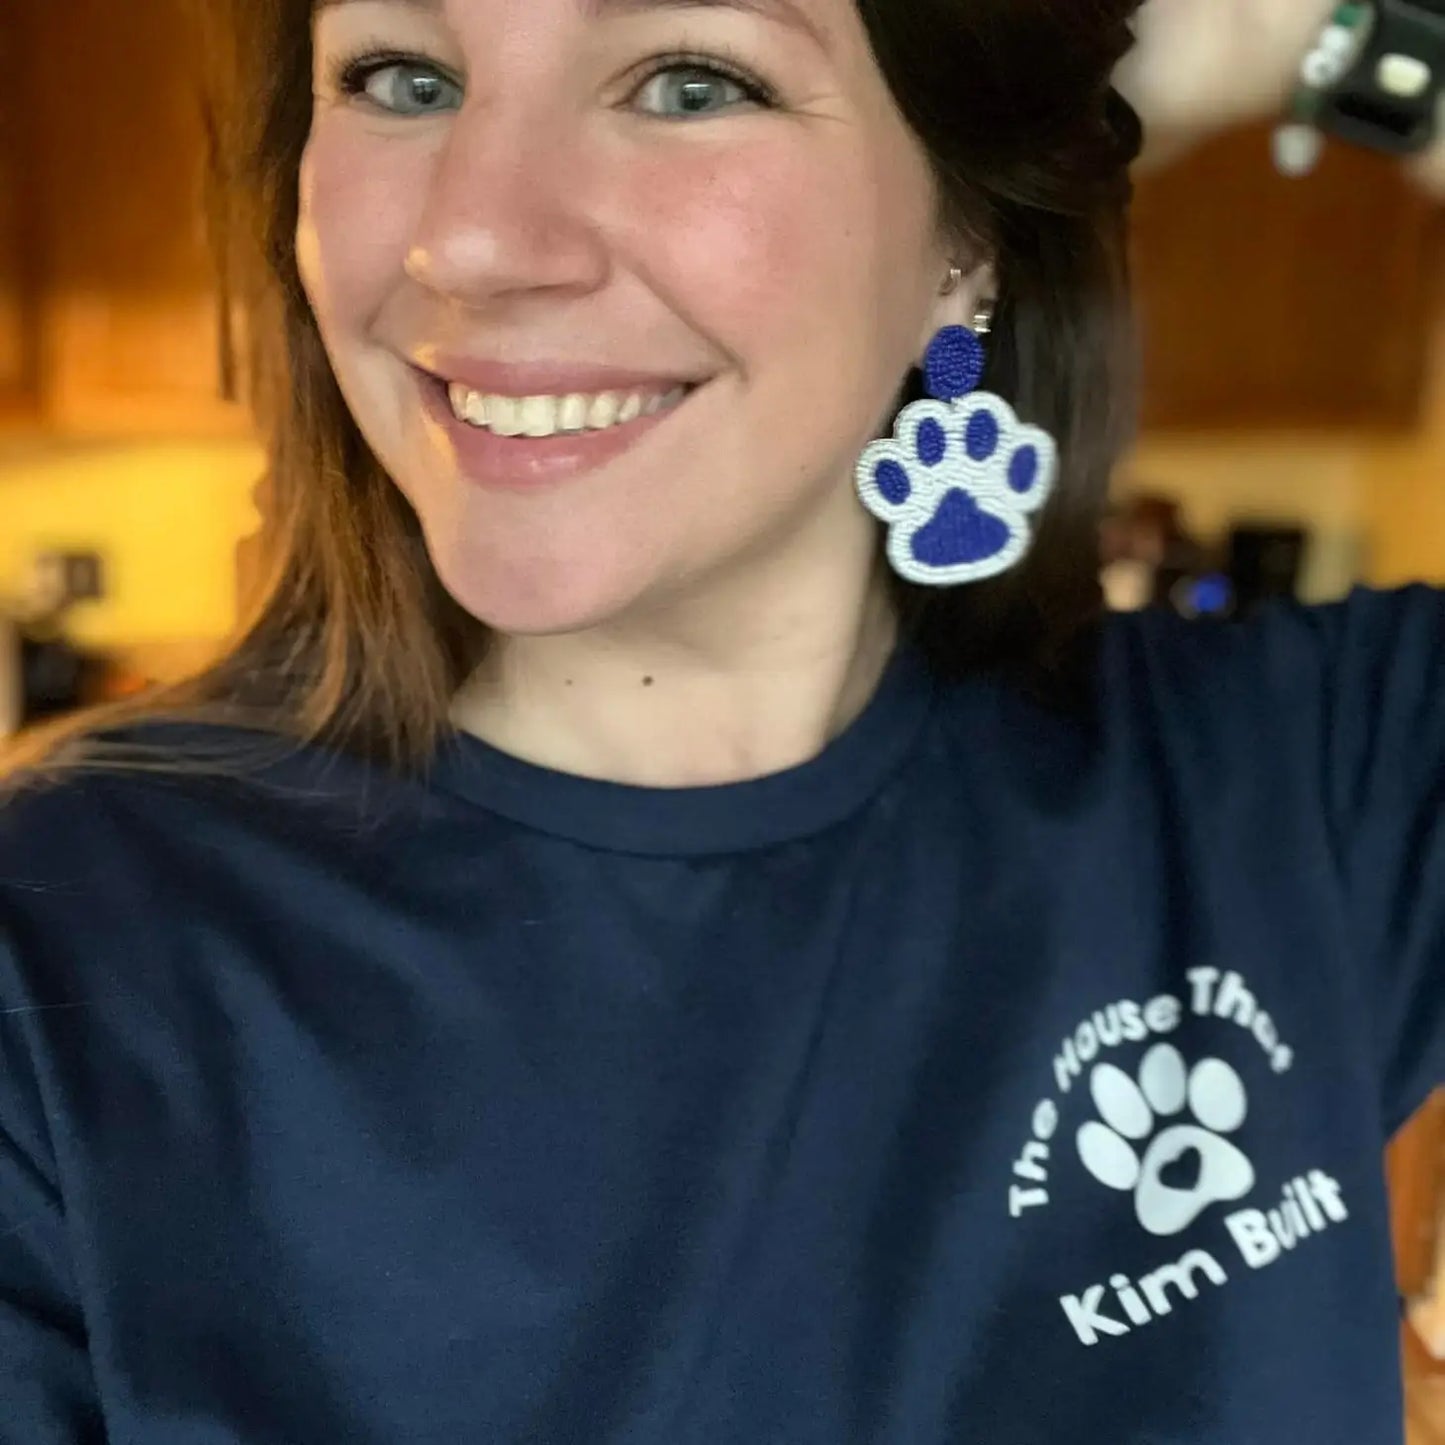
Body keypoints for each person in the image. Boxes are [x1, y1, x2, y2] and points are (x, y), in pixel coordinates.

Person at [1, 0, 1442, 1440]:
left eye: (692, 82)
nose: (473, 242)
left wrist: (1306, 43)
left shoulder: (1295, 782)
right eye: (402, 75)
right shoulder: (58, 959)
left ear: (966, 241)